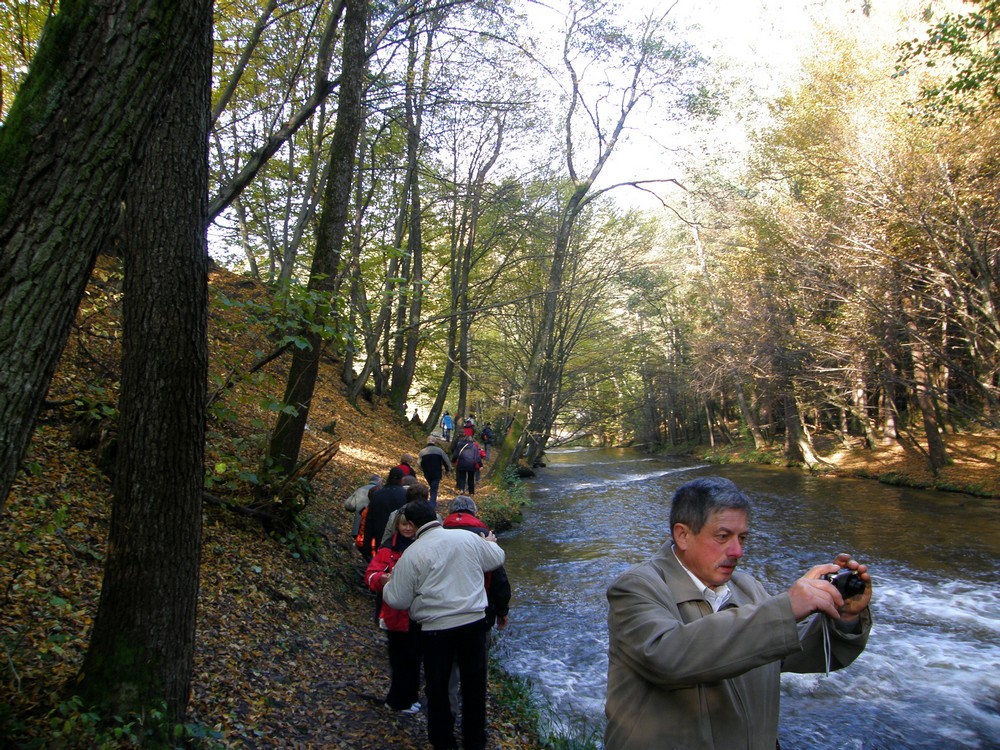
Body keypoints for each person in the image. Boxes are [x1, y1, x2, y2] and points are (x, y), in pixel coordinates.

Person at [604, 476, 873, 750]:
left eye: (742, 538)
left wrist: (844, 619)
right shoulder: (636, 587)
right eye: (723, 537)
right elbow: (667, 656)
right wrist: (786, 609)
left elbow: (791, 651)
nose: (738, 551)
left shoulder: (749, 588)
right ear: (683, 535)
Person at [383, 501, 506, 750]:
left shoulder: (412, 554)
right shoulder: (465, 538)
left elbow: (397, 599)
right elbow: (496, 558)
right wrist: (491, 544)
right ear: (436, 517)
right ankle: (474, 740)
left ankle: (443, 740)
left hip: (435, 630)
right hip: (473, 623)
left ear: (413, 524)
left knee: (437, 687)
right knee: (474, 686)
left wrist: (388, 582)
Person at [442, 496, 511, 723]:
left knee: (447, 666)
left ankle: (448, 713)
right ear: (474, 512)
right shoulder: (484, 536)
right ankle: (473, 721)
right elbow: (499, 578)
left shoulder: (439, 533)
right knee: (475, 668)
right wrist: (502, 610)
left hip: (443, 611)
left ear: (450, 512)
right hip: (478, 612)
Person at [365, 507, 422, 714]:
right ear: (397, 525)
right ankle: (397, 701)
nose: (407, 528)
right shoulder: (388, 549)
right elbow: (371, 575)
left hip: (419, 612)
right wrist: (381, 579)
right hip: (395, 613)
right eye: (404, 524)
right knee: (400, 658)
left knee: (415, 656)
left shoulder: (424, 546)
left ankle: (411, 696)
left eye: (411, 525)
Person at [361, 467, 408, 561]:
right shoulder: (405, 495)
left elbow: (369, 520)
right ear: (401, 479)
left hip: (380, 532)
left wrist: (366, 547)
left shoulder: (378, 494)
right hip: (399, 535)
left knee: (381, 559)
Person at [343, 474, 382, 542]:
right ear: (378, 481)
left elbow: (349, 505)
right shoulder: (381, 491)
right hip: (374, 528)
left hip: (358, 526)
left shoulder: (360, 490)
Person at [419, 437, 452, 509]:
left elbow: (419, 464)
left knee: (432, 486)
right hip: (437, 473)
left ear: (427, 441)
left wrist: (423, 469)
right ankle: (432, 505)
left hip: (427, 473)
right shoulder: (439, 451)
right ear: (435, 442)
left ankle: (430, 502)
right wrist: (447, 470)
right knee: (434, 489)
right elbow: (446, 461)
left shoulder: (422, 452)